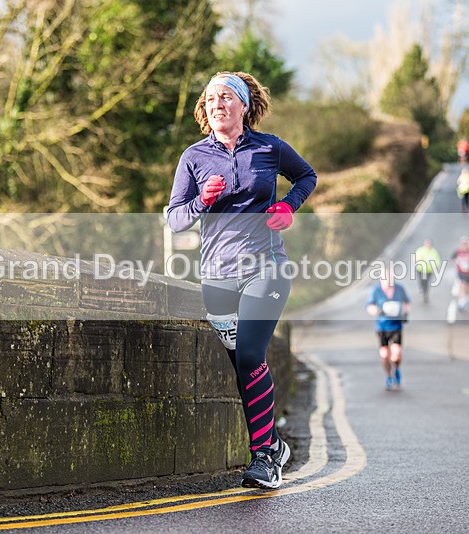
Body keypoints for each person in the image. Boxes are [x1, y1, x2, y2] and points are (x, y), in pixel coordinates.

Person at [167, 71, 316, 489]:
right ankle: (274, 445)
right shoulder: (194, 157)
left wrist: (288, 206)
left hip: (266, 267)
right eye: (210, 98)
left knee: (250, 354)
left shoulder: (269, 148)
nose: (216, 103)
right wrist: (202, 200)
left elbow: (307, 176)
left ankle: (265, 456)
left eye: (225, 97)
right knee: (242, 365)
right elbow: (175, 219)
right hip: (217, 276)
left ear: (244, 105)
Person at [366, 268, 411, 391]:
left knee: (396, 355)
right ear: (381, 279)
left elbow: (407, 302)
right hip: (382, 327)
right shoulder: (377, 291)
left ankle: (396, 369)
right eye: (385, 278)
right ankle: (388, 376)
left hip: (396, 326)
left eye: (390, 278)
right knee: (385, 354)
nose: (388, 281)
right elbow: (369, 306)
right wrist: (377, 311)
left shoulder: (399, 289)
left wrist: (406, 314)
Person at [451, 236, 469, 311]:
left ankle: (466, 298)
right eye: (463, 244)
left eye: (465, 244)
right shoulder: (458, 251)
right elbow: (452, 259)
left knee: (467, 287)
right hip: (460, 272)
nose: (464, 246)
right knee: (462, 285)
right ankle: (461, 302)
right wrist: (456, 263)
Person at [414, 238, 441, 303]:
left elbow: (437, 260)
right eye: (427, 243)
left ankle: (425, 293)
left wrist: (435, 266)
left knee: (426, 282)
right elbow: (416, 258)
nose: (428, 245)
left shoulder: (434, 252)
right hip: (421, 269)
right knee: (421, 281)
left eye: (429, 244)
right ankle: (422, 290)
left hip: (429, 270)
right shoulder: (420, 250)